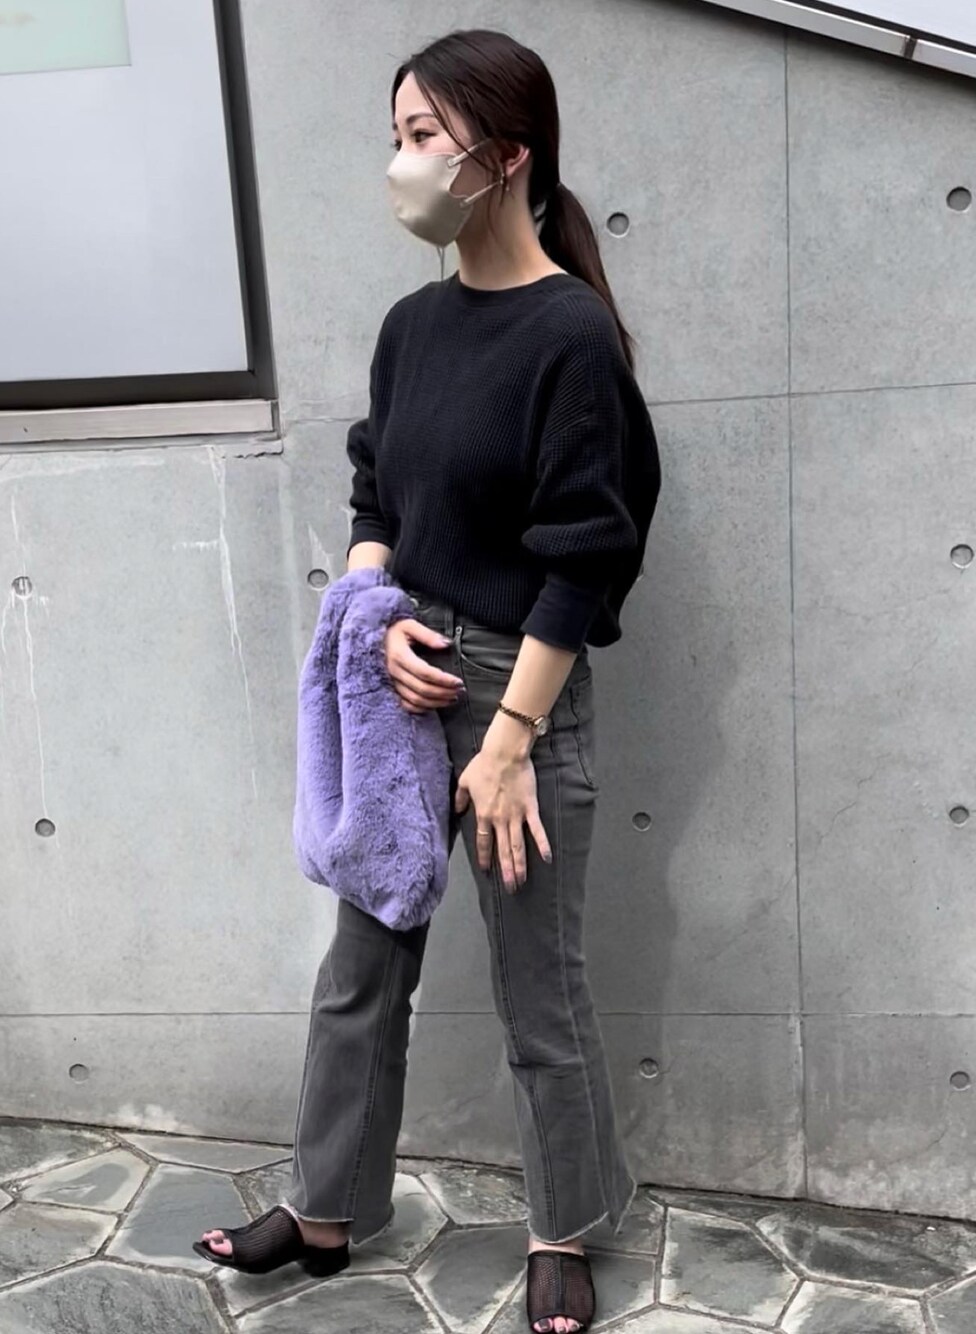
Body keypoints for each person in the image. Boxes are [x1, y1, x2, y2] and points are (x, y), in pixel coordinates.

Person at [194, 27, 661, 1334]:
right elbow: (376, 496)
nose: (397, 162)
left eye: (419, 138)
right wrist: (371, 615)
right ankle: (325, 1209)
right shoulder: (411, 328)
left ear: (501, 158)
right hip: (405, 677)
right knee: (361, 964)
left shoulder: (571, 336)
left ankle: (562, 1229)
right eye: (394, 134)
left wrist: (509, 741)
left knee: (539, 987)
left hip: (523, 689)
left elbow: (588, 554)